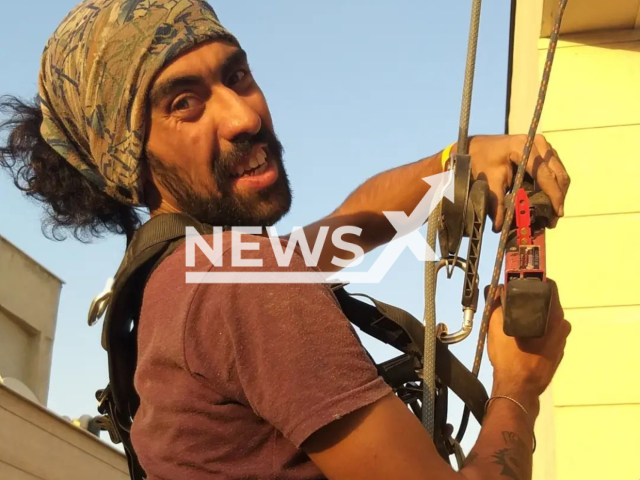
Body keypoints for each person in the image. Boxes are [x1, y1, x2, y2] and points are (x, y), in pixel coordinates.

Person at [0, 1, 571, 479]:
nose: (242, 114)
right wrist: (519, 386)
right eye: (185, 104)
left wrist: (456, 164)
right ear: (130, 161)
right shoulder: (238, 283)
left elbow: (356, 219)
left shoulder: (182, 276)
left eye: (237, 76)